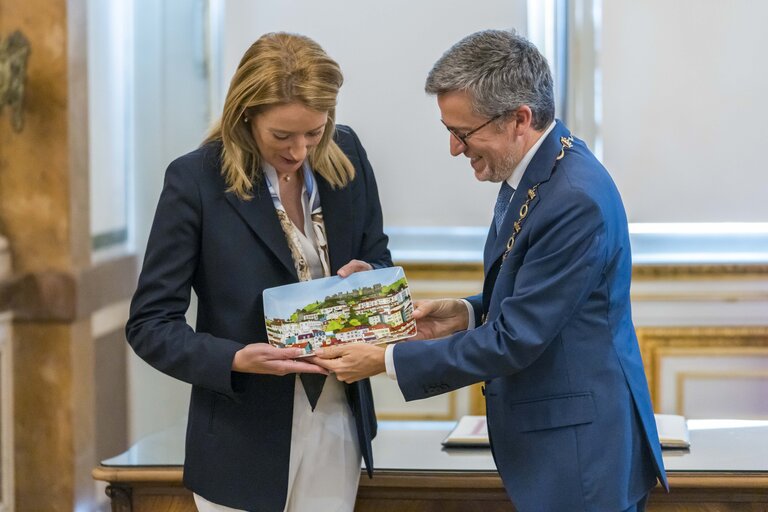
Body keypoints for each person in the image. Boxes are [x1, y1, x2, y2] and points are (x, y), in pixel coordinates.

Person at [313, 29, 668, 511]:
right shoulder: (538, 168)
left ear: (518, 119)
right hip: (562, 443)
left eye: (463, 133)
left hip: (582, 458)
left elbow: (517, 338)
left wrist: (385, 359)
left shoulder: (574, 199)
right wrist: (463, 313)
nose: (456, 150)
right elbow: (535, 295)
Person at [126, 32, 391, 512]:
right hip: (240, 435)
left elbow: (379, 255)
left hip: (339, 416)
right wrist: (233, 358)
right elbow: (149, 325)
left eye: (315, 132)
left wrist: (368, 275)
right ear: (245, 115)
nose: (299, 151)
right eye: (282, 136)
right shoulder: (195, 181)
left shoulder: (347, 154)